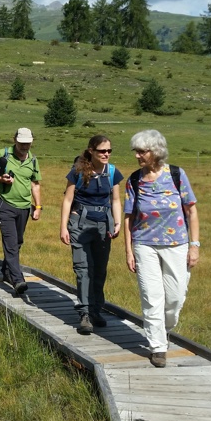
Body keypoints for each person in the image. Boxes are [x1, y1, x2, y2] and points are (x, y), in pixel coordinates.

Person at [124, 129, 200, 368]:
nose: (137, 156)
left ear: (156, 152)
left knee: (175, 297)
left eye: (142, 151)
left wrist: (194, 245)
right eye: (136, 151)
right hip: (144, 244)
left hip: (177, 244)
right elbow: (129, 217)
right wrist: (128, 250)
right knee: (151, 296)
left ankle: (164, 328)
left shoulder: (176, 175)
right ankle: (157, 346)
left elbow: (191, 210)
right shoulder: (134, 180)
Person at [59, 135, 123, 335]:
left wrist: (118, 222)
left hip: (104, 226)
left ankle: (96, 310)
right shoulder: (78, 171)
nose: (106, 154)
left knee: (100, 270)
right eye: (102, 151)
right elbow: (68, 200)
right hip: (80, 224)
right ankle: (84, 313)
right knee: (83, 269)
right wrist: (63, 227)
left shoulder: (112, 172)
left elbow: (116, 199)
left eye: (109, 151)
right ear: (91, 151)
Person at [0, 127, 42, 295]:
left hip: (24, 206)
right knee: (10, 242)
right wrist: (0, 178)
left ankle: (7, 271)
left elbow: (35, 184)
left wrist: (37, 206)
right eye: (22, 143)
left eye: (28, 143)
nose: (25, 146)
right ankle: (18, 280)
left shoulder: (33, 160)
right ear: (15, 140)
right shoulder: (3, 154)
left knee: (17, 242)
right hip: (5, 204)